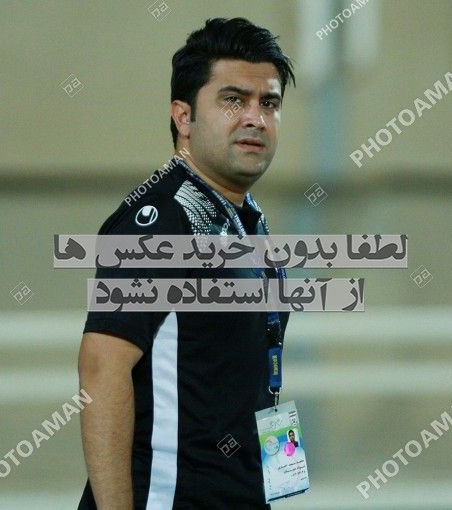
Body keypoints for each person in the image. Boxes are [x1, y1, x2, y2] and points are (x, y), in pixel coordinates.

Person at [77, 17, 295, 509]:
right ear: (184, 116)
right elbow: (101, 368)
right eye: (233, 100)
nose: (255, 118)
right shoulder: (158, 222)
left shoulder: (246, 219)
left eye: (269, 103)